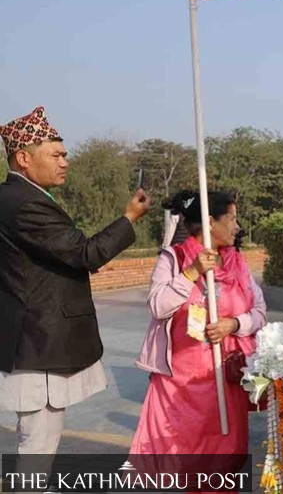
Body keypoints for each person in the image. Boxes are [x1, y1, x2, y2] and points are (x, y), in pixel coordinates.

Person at [0, 107, 151, 483]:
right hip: (39, 340)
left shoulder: (19, 197)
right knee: (38, 441)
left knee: (38, 440)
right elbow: (85, 253)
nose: (65, 162)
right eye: (56, 154)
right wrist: (129, 218)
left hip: (32, 336)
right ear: (23, 158)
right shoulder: (26, 204)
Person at [130, 190, 266, 460]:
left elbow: (260, 313)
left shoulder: (238, 264)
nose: (237, 226)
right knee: (189, 457)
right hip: (182, 385)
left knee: (226, 456)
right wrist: (191, 273)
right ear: (210, 221)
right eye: (231, 218)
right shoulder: (173, 259)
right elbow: (158, 306)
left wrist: (234, 324)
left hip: (226, 375)